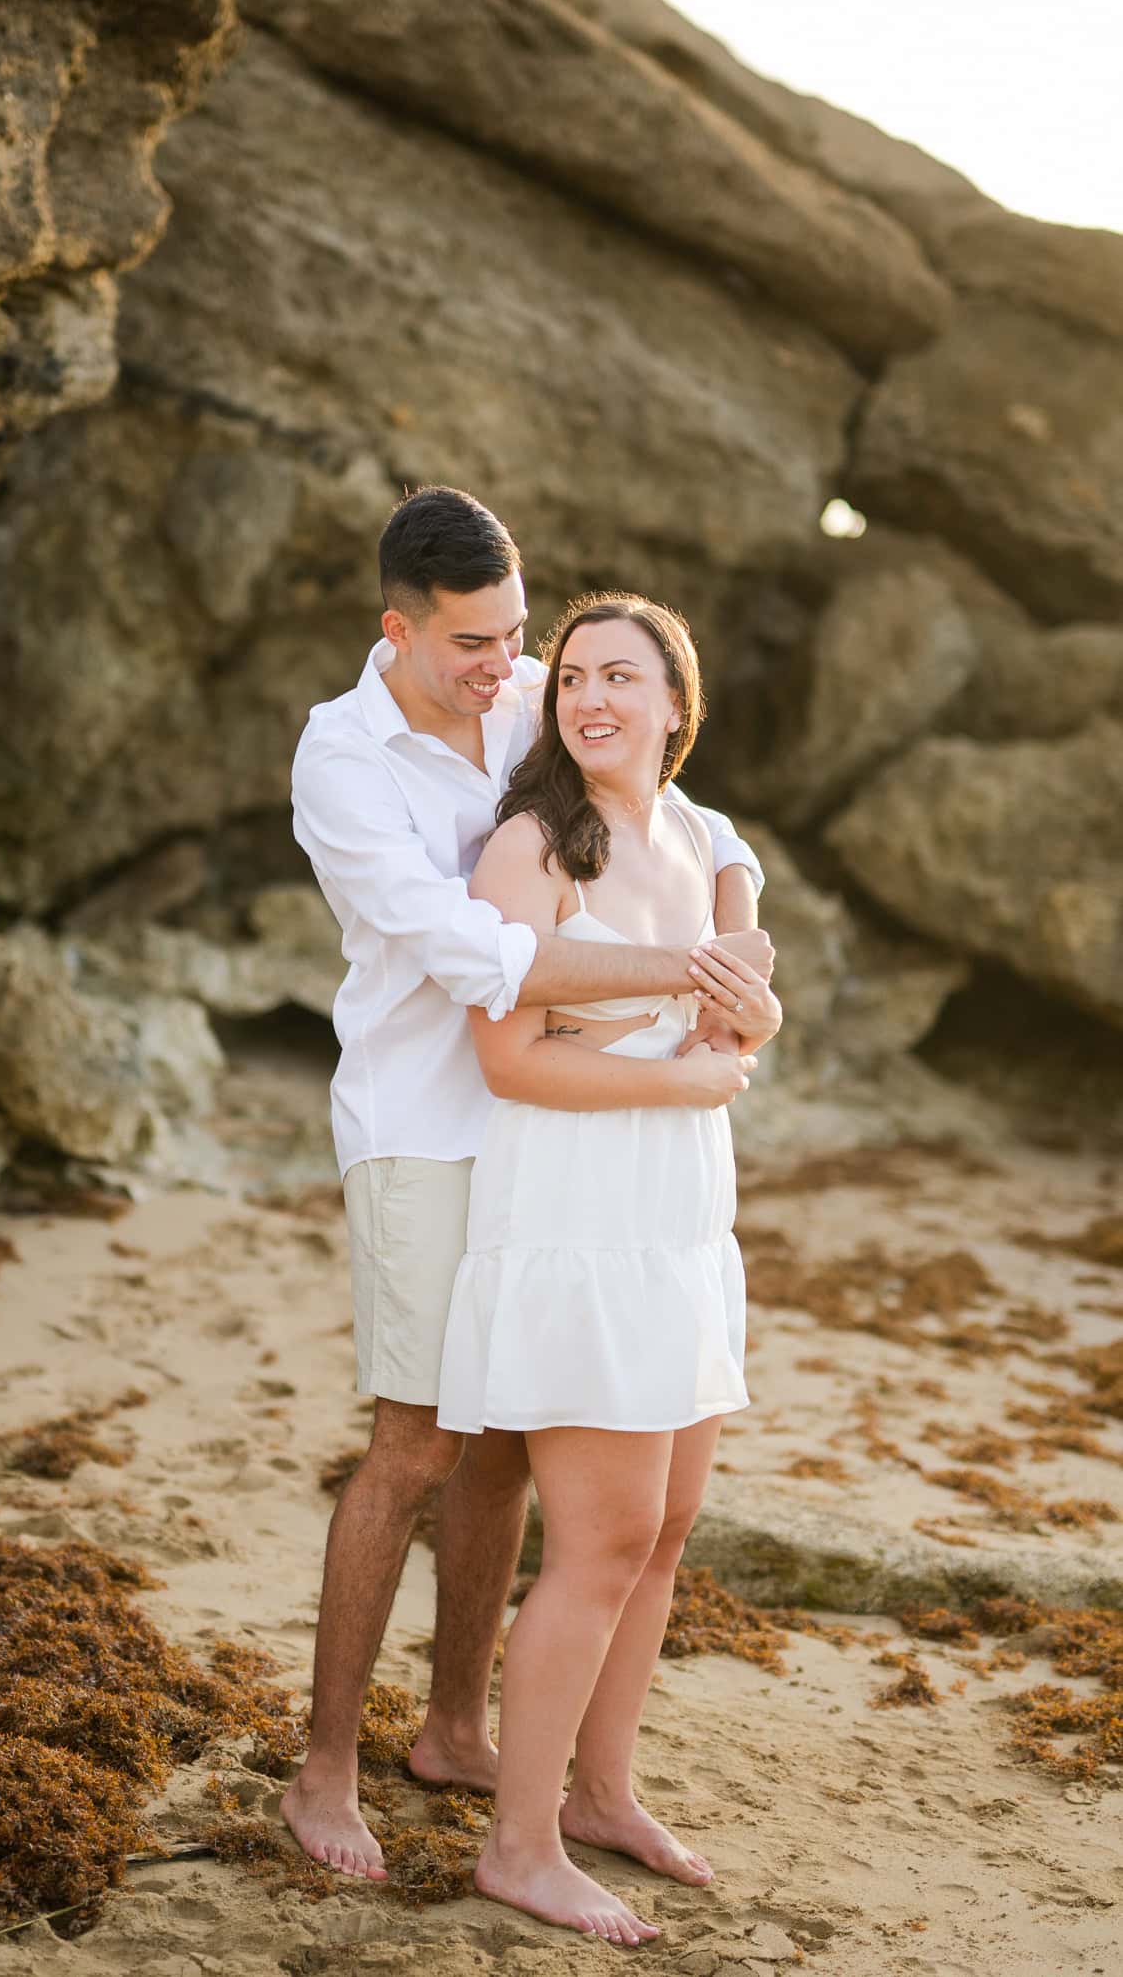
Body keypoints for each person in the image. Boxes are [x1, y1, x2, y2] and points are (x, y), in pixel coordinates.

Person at [283, 487, 773, 1882]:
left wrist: (741, 941)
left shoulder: (533, 691)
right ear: (399, 631)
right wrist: (690, 984)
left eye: (518, 636)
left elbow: (691, 809)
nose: (511, 671)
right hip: (425, 1123)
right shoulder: (342, 761)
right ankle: (326, 1767)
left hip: (552, 1146)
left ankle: (453, 1724)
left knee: (508, 1438)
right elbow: (479, 958)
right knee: (420, 1435)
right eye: (475, 647)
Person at [436, 593, 782, 1945]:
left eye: (620, 675)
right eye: (572, 674)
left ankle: (602, 1791)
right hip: (580, 1212)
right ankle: (517, 1843)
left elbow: (731, 999)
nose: (590, 695)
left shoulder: (695, 839)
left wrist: (750, 1012)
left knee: (667, 1527)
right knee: (597, 1540)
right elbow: (506, 1055)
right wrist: (688, 1078)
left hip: (682, 1219)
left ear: (675, 704)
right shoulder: (533, 844)